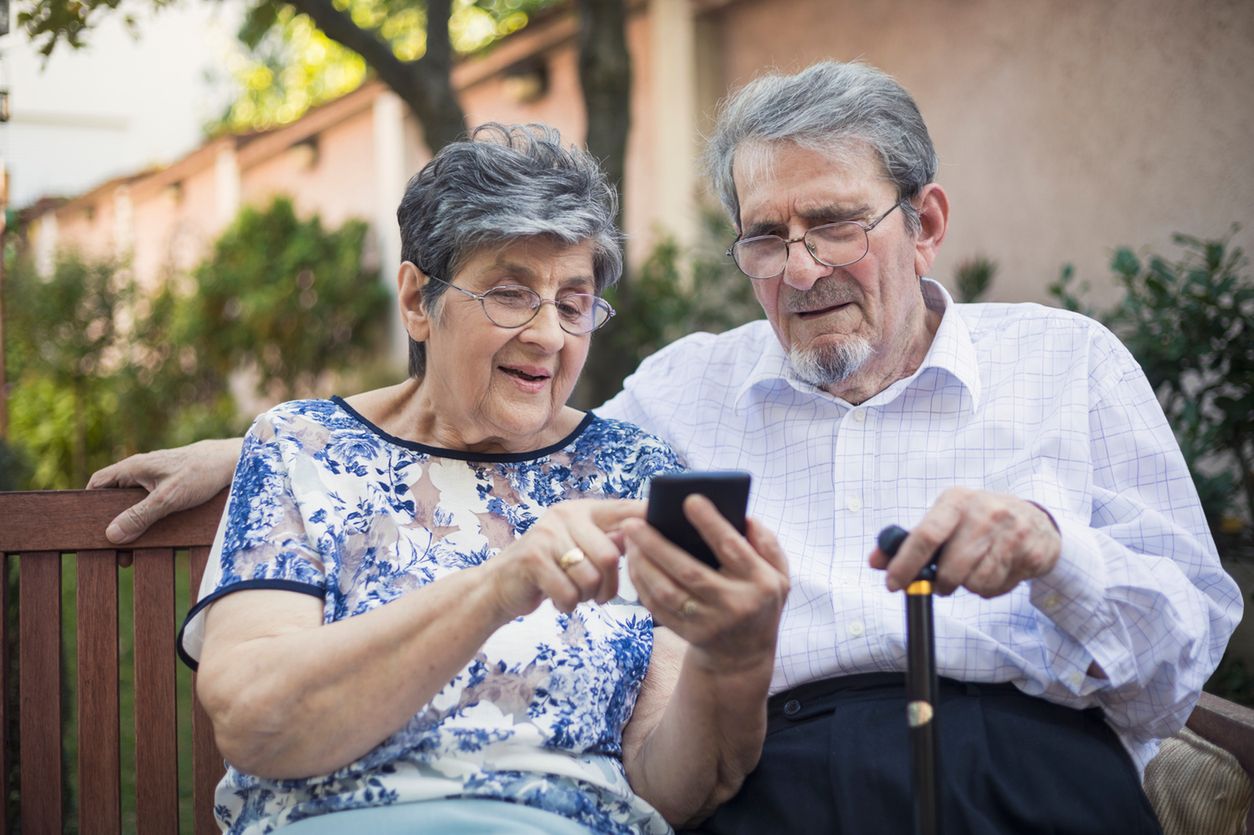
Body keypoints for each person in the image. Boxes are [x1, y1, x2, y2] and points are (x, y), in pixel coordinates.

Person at [90, 63, 1241, 833]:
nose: (799, 269)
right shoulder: (684, 393)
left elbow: (1185, 647)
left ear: (924, 222)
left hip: (1016, 760)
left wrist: (1053, 550)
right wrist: (253, 449)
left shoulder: (1068, 363)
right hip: (776, 776)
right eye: (765, 235)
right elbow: (480, 421)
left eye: (835, 223)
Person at [158, 123, 789, 835]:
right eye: (511, 293)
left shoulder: (633, 472)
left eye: (573, 303)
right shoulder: (303, 449)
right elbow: (256, 722)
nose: (549, 335)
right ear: (415, 301)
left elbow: (665, 788)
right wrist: (498, 586)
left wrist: (730, 658)